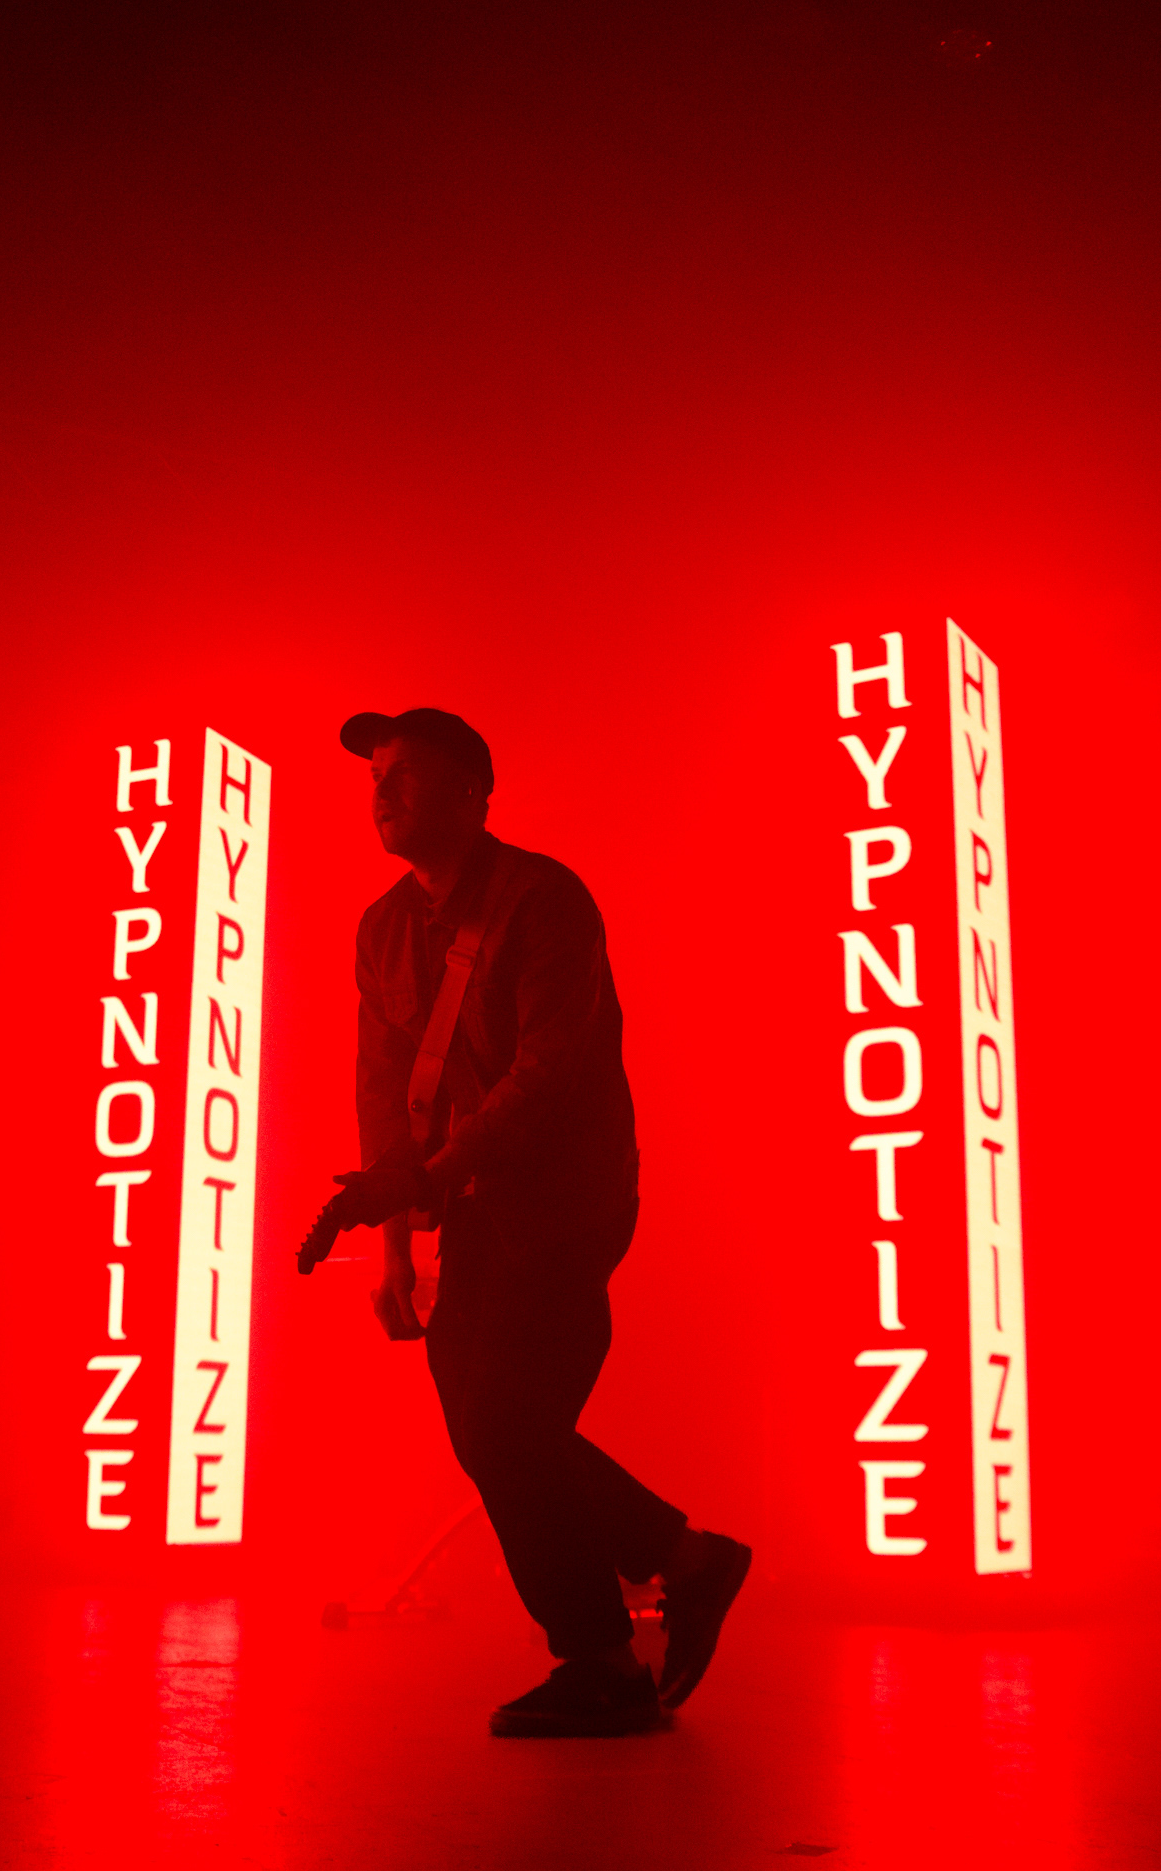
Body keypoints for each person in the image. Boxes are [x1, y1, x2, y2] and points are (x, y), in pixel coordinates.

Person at [311, 707, 750, 1737]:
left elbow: (545, 1077)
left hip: (563, 1202)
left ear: (473, 791)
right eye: (375, 775)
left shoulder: (544, 901)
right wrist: (394, 1248)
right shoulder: (382, 929)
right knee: (493, 1432)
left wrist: (425, 1179)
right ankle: (685, 1561)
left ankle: (601, 1657)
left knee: (503, 1423)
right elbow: (384, 1094)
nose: (382, 792)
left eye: (406, 773)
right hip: (468, 1207)